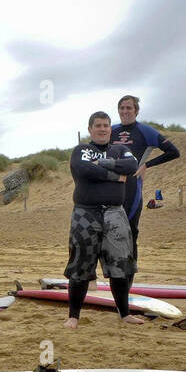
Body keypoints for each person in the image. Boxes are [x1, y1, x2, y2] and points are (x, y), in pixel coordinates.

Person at [64, 111, 142, 328]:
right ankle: (73, 316)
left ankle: (124, 313)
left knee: (120, 265)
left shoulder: (121, 149)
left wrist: (102, 165)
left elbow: (131, 167)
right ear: (90, 129)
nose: (102, 129)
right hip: (85, 214)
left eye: (106, 125)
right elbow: (81, 169)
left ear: (111, 128)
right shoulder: (82, 150)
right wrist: (115, 176)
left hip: (115, 213)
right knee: (81, 265)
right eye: (98, 125)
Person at [111, 96, 181, 272]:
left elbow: (173, 152)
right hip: (110, 188)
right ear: (118, 110)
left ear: (136, 111)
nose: (125, 111)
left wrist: (146, 165)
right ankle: (112, 274)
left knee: (130, 231)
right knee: (108, 231)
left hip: (132, 188)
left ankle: (128, 276)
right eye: (122, 108)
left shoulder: (145, 131)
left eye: (129, 108)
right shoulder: (110, 130)